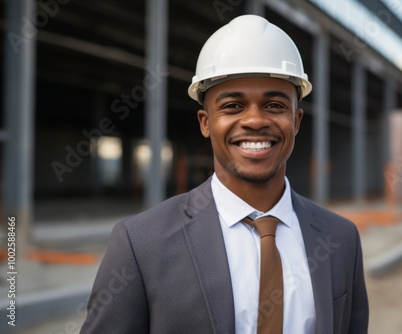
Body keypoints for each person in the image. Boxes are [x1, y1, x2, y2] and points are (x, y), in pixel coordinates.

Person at [81, 14, 368, 334]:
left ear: (296, 121)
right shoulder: (141, 244)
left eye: (274, 105)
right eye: (233, 106)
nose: (255, 121)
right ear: (205, 122)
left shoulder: (341, 239)